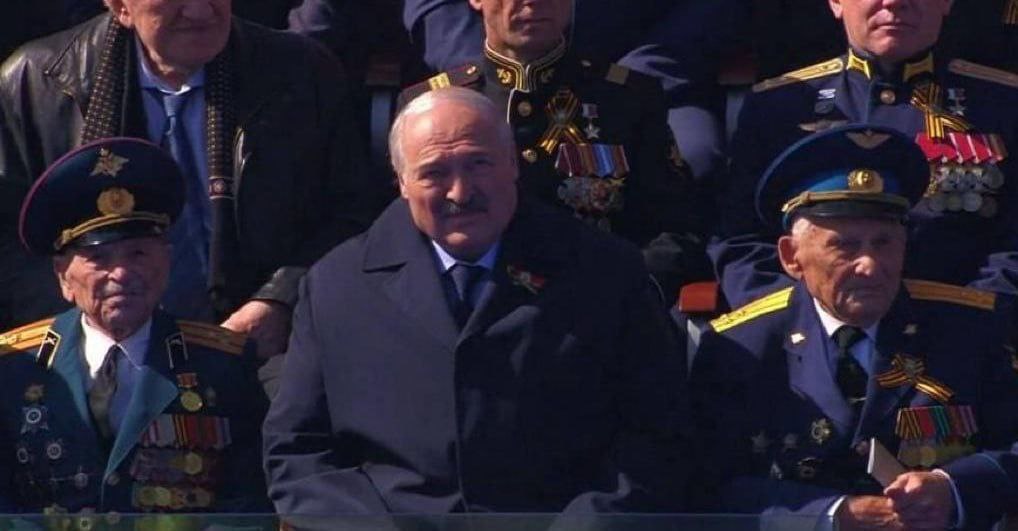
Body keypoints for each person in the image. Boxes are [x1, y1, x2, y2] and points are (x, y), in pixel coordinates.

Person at [263, 87, 690, 514]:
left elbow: (656, 435)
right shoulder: (336, 286)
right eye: (433, 173)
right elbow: (298, 450)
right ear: (402, 183)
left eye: (479, 164)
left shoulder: (606, 273)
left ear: (513, 164)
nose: (460, 192)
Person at [0, 0, 379, 358]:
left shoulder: (301, 72)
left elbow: (353, 214)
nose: (199, 11)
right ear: (120, 7)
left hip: (264, 347)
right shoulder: (35, 83)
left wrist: (282, 299)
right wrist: (87, 328)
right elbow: (12, 244)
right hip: (91, 347)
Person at [690, 124, 1018, 530]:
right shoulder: (741, 346)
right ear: (791, 257)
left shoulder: (969, 330)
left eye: (884, 243)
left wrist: (953, 488)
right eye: (844, 246)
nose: (870, 265)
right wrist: (833, 515)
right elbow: (707, 485)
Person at [0, 138, 268, 514]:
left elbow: (248, 503)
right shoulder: (13, 366)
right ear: (63, 276)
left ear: (167, 261)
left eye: (138, 253)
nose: (122, 273)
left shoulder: (222, 365)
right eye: (98, 258)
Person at [396, 0, 713, 302]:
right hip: (476, 307)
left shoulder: (627, 98)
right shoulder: (429, 112)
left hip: (598, 310)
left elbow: (677, 229)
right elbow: (408, 232)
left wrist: (621, 293)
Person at [712, 0, 1018, 309]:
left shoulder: (1003, 104)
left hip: (964, 324)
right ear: (836, 3)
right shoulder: (778, 106)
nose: (895, 2)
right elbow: (741, 243)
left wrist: (973, 319)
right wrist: (807, 320)